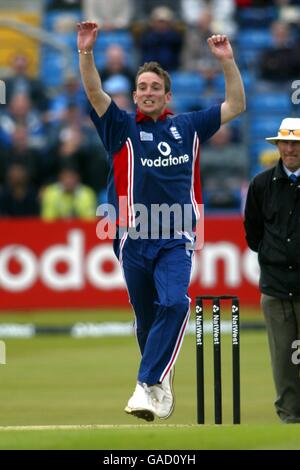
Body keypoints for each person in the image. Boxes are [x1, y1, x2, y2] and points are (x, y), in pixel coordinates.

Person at [77, 21, 245, 421]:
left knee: (174, 302)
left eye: (156, 87)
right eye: (142, 87)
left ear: (167, 95)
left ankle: (144, 383)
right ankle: (160, 384)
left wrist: (227, 61)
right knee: (147, 318)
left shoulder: (187, 126)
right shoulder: (120, 127)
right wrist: (85, 52)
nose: (148, 93)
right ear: (134, 95)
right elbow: (94, 92)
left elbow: (236, 105)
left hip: (175, 235)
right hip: (132, 239)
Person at [244, 118, 300, 423]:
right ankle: (290, 422)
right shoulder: (261, 184)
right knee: (283, 363)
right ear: (277, 146)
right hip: (276, 288)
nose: (290, 148)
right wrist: (274, 254)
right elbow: (253, 234)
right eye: (285, 142)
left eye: (296, 143)